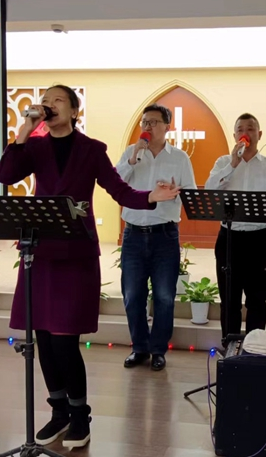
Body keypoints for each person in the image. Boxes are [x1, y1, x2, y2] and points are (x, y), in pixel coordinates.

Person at [0, 85, 179, 450]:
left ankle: (80, 416)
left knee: (65, 342)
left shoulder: (91, 150)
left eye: (57, 100)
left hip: (75, 255)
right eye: (45, 101)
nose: (48, 105)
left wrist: (150, 198)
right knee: (43, 341)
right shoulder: (34, 146)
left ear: (75, 111)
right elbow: (5, 174)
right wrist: (22, 130)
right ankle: (58, 412)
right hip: (41, 253)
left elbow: (119, 189)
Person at [115, 104, 197, 371]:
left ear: (167, 126)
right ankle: (139, 348)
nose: (147, 127)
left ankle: (158, 349)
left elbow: (191, 194)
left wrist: (176, 191)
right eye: (144, 122)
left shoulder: (180, 158)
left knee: (163, 296)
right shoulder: (132, 152)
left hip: (165, 235)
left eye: (153, 122)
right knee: (132, 295)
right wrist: (133, 157)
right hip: (133, 235)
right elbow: (116, 184)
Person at [204, 113, 266, 339]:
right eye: (240, 129)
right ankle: (230, 350)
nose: (245, 133)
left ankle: (254, 351)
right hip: (229, 238)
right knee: (229, 299)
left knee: (257, 300)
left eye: (250, 129)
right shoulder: (223, 162)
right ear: (234, 136)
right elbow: (210, 191)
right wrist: (232, 164)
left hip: (259, 238)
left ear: (259, 135)